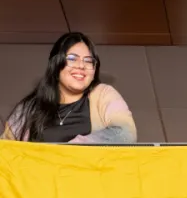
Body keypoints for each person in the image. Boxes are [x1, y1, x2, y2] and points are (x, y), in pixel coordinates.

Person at [1, 32, 136, 144]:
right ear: (56, 64)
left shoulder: (103, 94)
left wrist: (75, 147)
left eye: (88, 61)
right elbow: (6, 153)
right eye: (72, 58)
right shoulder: (30, 107)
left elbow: (126, 133)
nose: (81, 66)